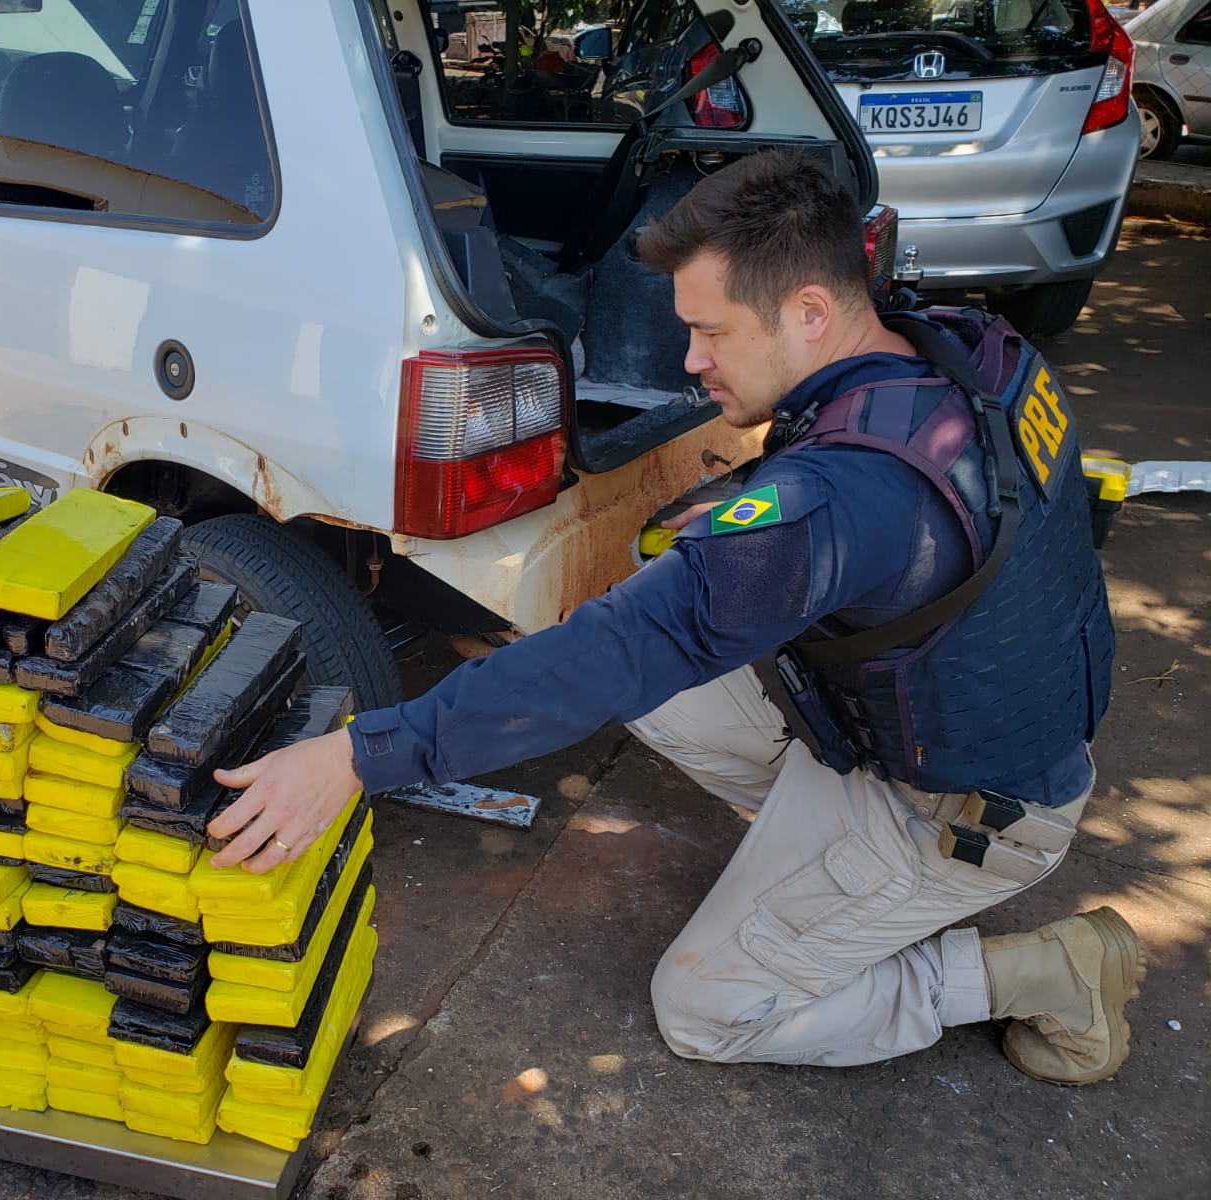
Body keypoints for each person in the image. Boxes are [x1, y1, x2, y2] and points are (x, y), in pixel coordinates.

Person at [205, 149, 1143, 1086]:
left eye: (711, 332)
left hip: (962, 815)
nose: (692, 362)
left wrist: (356, 754)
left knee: (708, 1009)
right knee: (620, 667)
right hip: (945, 728)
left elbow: (632, 643)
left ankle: (1048, 973)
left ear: (810, 311)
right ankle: (812, 878)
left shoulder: (842, 502)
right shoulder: (948, 351)